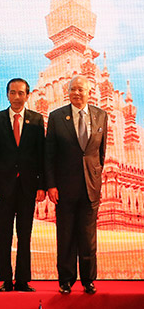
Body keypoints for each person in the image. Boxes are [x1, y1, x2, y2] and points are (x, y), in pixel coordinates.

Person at [45, 75, 107, 295]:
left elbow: (100, 153)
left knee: (88, 237)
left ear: (89, 92)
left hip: (90, 186)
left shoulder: (101, 116)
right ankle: (65, 280)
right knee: (66, 236)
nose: (77, 93)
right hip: (64, 187)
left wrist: (95, 178)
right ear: (67, 91)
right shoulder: (56, 117)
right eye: (73, 89)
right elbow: (49, 155)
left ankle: (88, 280)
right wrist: (51, 185)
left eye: (81, 89)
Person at [0, 78, 45, 292]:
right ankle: (6, 280)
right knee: (4, 234)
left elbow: (41, 156)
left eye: (21, 93)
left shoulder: (37, 121)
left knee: (25, 234)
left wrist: (42, 186)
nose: (17, 97)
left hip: (28, 186)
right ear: (8, 95)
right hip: (3, 187)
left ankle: (22, 280)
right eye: (13, 93)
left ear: (27, 95)